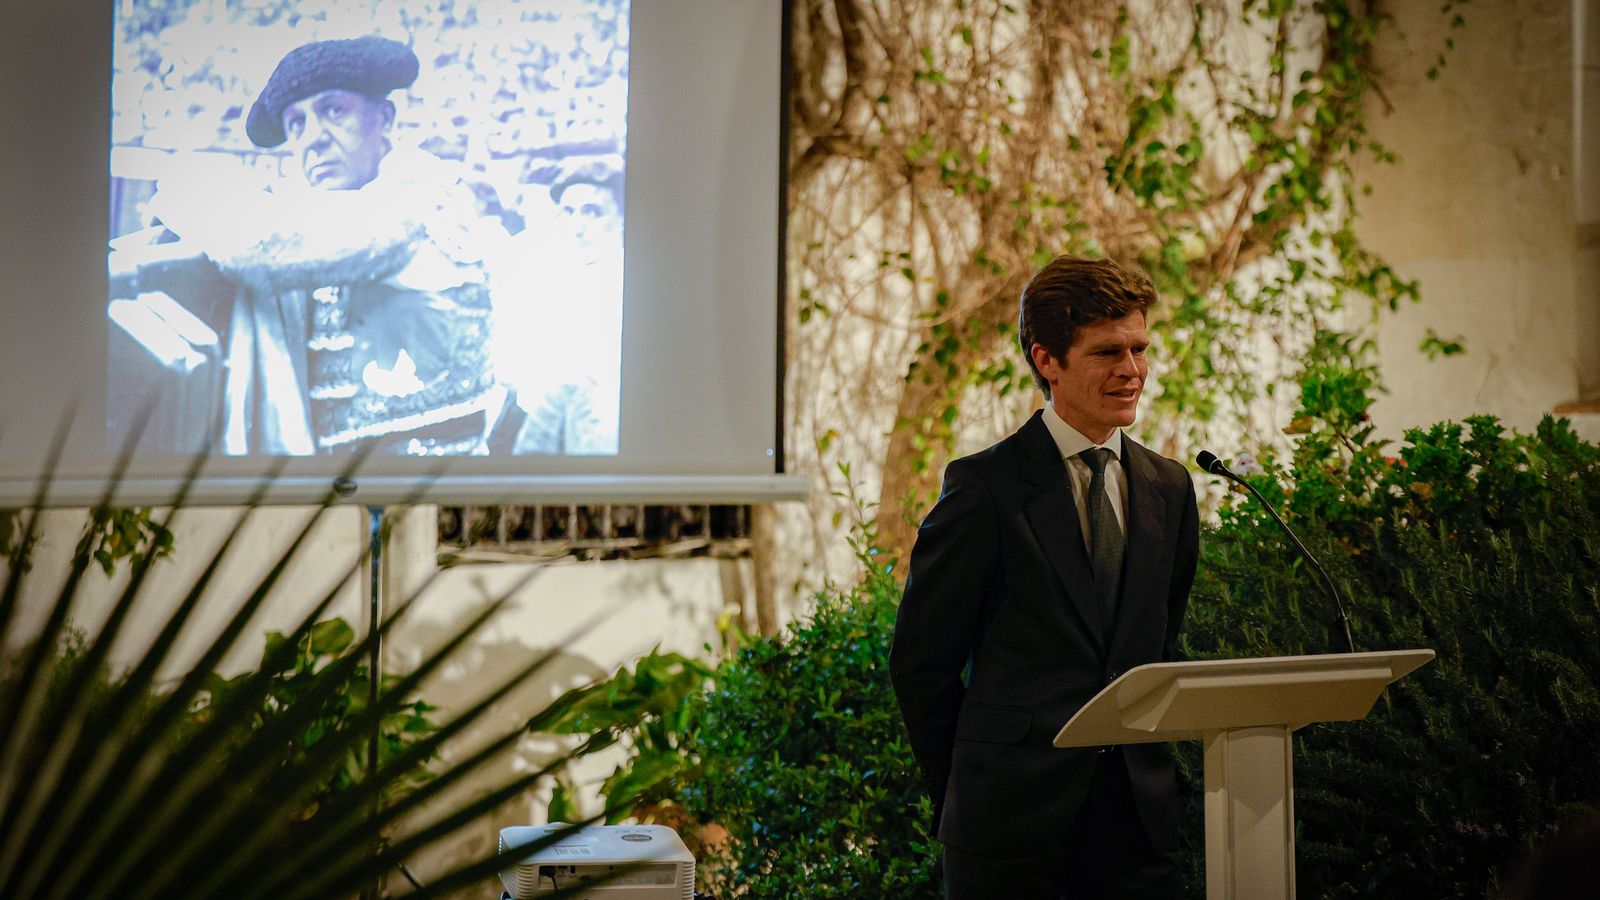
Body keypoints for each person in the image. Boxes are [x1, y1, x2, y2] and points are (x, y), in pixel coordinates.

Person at [889, 255, 1200, 898]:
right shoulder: (983, 488)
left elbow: (1161, 645)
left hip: (1138, 830)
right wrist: (967, 793)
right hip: (1007, 830)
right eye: (1107, 352)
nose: (1132, 370)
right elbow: (921, 665)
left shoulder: (1170, 487)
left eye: (1140, 349)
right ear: (1047, 360)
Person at [136, 35, 514, 455]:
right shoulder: (338, 210)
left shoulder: (417, 197)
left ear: (385, 118)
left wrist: (178, 195)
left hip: (436, 480)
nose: (313, 138)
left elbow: (252, 243)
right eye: (296, 124)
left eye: (334, 111)